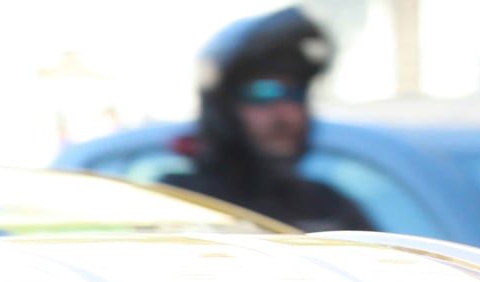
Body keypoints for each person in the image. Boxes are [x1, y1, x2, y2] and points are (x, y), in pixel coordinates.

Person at [161, 9, 375, 233]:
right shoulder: (177, 203)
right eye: (262, 93)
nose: (287, 115)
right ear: (222, 107)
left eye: (296, 95)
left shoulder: (327, 207)